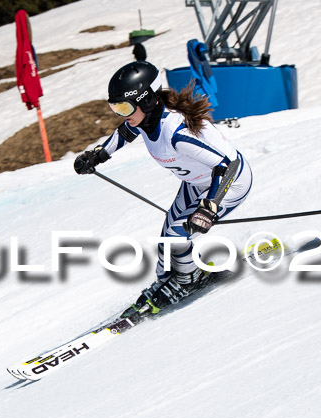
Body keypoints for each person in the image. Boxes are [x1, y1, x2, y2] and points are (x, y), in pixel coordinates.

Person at [74, 61, 252, 316]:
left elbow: (227, 166)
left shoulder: (176, 133)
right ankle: (169, 279)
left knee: (177, 237)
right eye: (116, 107)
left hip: (228, 184)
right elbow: (125, 132)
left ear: (146, 100)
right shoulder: (145, 119)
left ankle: (189, 279)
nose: (122, 114)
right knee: (168, 237)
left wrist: (210, 206)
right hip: (197, 182)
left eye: (124, 106)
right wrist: (99, 155)